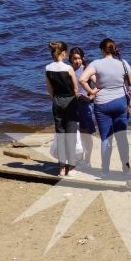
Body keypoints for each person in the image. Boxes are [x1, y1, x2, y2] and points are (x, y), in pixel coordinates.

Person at [85, 38, 131, 175]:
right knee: (122, 138)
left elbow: (82, 79)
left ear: (102, 50)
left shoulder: (96, 63)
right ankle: (126, 169)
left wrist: (92, 91)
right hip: (120, 102)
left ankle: (105, 170)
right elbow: (130, 82)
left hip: (102, 104)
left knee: (105, 138)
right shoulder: (123, 63)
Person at [42, 42, 81, 173]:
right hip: (70, 100)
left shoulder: (47, 68)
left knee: (60, 133)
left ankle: (61, 167)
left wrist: (55, 99)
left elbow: (49, 88)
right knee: (71, 134)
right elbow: (75, 88)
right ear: (63, 53)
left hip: (57, 100)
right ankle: (71, 166)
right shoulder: (68, 68)